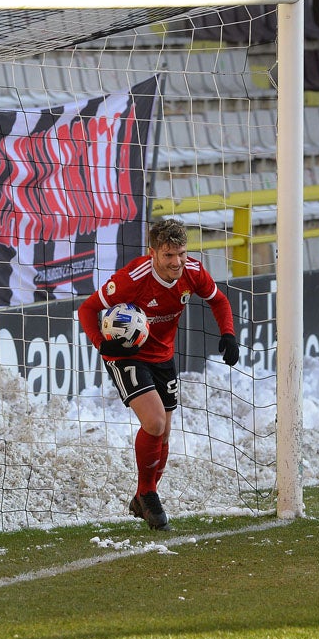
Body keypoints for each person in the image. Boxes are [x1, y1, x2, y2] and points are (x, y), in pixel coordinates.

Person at [78, 219, 239, 531]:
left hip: (163, 357)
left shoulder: (192, 271)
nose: (177, 262)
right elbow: (87, 309)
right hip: (127, 355)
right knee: (154, 423)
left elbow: (218, 300)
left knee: (164, 434)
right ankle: (149, 494)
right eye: (168, 255)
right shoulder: (131, 279)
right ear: (152, 253)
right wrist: (102, 344)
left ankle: (141, 498)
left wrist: (228, 334)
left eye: (180, 253)